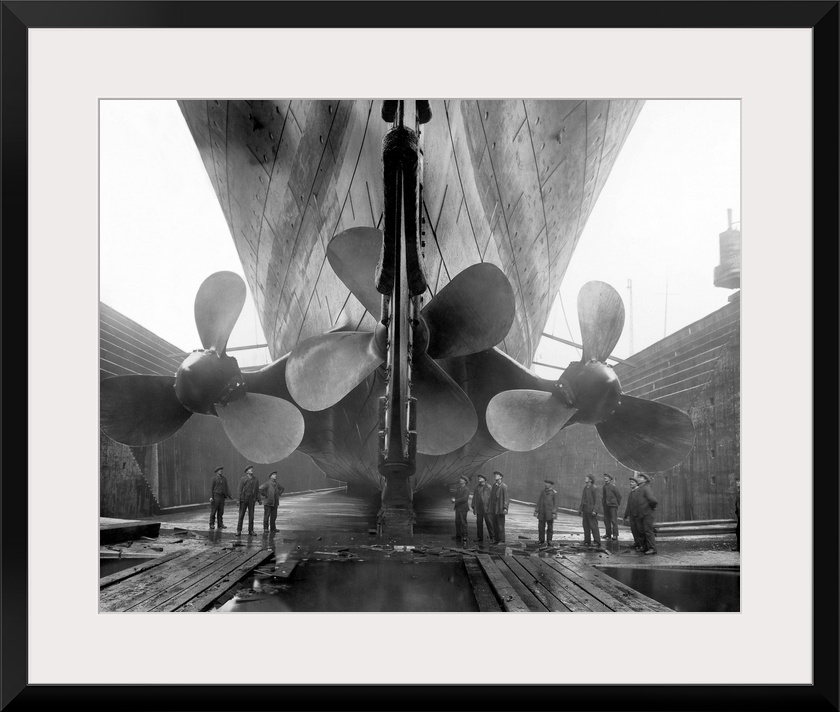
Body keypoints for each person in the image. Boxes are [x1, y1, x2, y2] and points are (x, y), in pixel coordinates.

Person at [635, 473, 659, 555]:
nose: (638, 478)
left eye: (641, 477)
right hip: (641, 513)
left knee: (648, 531)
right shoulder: (640, 489)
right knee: (642, 531)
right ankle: (645, 547)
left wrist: (651, 508)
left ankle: (652, 548)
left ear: (645, 480)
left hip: (647, 513)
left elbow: (653, 500)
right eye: (639, 477)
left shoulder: (646, 488)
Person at [236, 465, 261, 536]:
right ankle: (238, 530)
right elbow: (239, 490)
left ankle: (251, 531)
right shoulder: (243, 479)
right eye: (250, 469)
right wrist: (238, 500)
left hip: (251, 500)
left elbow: (257, 490)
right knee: (241, 516)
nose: (251, 470)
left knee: (251, 516)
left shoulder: (256, 479)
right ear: (247, 472)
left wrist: (259, 499)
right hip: (243, 499)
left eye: (251, 469)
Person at [471, 474, 494, 544]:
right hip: (479, 508)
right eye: (479, 478)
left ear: (484, 479)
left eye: (481, 478)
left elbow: (492, 499)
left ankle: (492, 538)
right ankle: (479, 537)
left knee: (489, 523)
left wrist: (490, 508)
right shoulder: (477, 487)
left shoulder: (489, 487)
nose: (479, 478)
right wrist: (473, 506)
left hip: (486, 508)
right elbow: (474, 497)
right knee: (479, 523)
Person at [578, 474, 601, 547]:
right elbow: (583, 499)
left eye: (587, 478)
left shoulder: (594, 488)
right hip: (585, 510)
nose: (585, 478)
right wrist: (580, 509)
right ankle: (587, 540)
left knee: (594, 526)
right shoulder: (585, 488)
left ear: (590, 480)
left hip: (591, 511)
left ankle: (597, 541)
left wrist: (595, 510)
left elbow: (597, 500)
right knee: (586, 526)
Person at [534, 479, 558, 545]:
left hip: (549, 513)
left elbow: (555, 504)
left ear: (551, 485)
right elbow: (539, 502)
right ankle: (541, 540)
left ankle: (549, 540)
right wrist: (536, 511)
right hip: (542, 512)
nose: (546, 484)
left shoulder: (553, 493)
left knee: (550, 528)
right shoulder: (543, 492)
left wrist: (554, 513)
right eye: (546, 483)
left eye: (547, 483)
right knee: (541, 527)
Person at [488, 471, 509, 544]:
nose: (495, 476)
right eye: (495, 475)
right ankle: (496, 539)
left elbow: (506, 498)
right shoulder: (494, 486)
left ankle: (502, 540)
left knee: (500, 526)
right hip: (494, 509)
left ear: (501, 477)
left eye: (497, 475)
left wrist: (505, 508)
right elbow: (491, 497)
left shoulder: (504, 486)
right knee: (495, 525)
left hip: (500, 509)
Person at [623, 477, 643, 550]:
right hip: (632, 515)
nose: (630, 483)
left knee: (639, 530)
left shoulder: (639, 492)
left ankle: (641, 545)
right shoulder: (631, 492)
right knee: (633, 529)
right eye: (630, 482)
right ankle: (636, 543)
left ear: (637, 484)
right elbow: (629, 504)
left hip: (638, 515)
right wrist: (626, 514)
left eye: (632, 482)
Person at [601, 473, 622, 540]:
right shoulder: (604, 487)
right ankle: (608, 534)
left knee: (613, 520)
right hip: (606, 506)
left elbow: (619, 496)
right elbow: (604, 497)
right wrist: (603, 504)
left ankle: (615, 535)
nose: (605, 478)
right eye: (604, 477)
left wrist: (617, 504)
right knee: (606, 520)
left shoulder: (613, 487)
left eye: (606, 477)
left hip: (613, 506)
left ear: (610, 479)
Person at [451, 475, 470, 546]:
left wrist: (455, 500)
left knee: (463, 522)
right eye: (460, 479)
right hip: (458, 508)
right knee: (457, 522)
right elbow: (456, 496)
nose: (460, 480)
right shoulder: (459, 488)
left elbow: (464, 499)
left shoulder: (466, 489)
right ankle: (458, 536)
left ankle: (465, 536)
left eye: (462, 479)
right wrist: (453, 499)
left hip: (463, 508)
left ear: (465, 481)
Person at [732, 479, 740, 552]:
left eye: (739, 481)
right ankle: (738, 546)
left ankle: (739, 547)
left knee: (738, 531)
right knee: (738, 531)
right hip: (739, 514)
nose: (737, 483)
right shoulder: (739, 492)